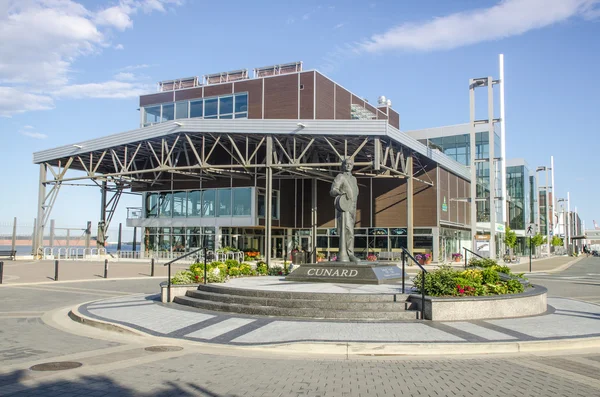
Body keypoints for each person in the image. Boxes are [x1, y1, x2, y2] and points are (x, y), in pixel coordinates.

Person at [330, 157, 359, 262]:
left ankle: (348, 253)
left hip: (353, 208)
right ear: (343, 165)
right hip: (344, 207)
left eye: (350, 164)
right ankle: (349, 254)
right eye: (346, 164)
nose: (348, 166)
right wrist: (339, 193)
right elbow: (333, 190)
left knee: (351, 231)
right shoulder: (340, 177)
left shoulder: (354, 179)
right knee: (348, 231)